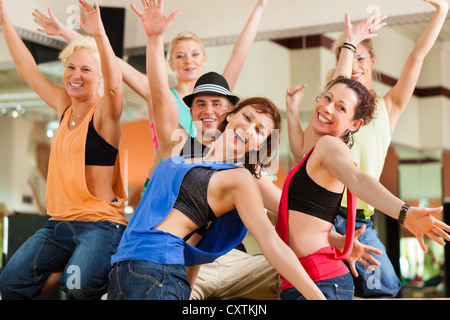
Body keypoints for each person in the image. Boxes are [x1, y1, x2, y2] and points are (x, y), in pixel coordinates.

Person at [288, 1, 448, 297]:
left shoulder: (389, 107)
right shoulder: (333, 118)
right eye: (348, 59)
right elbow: (307, 155)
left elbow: (416, 58)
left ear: (373, 61)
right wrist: (349, 46)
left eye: (361, 58)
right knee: (327, 283)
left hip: (360, 217)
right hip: (327, 211)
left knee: (385, 287)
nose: (355, 66)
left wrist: (441, 13)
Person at [0, 0, 127, 300]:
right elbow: (27, 70)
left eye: (86, 69)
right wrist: (5, 22)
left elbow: (114, 87)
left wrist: (99, 35)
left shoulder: (105, 113)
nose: (76, 75)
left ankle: (98, 270)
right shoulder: (63, 106)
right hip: (59, 224)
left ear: (98, 76)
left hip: (100, 224)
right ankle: (72, 272)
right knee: (10, 284)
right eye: (71, 67)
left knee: (80, 290)